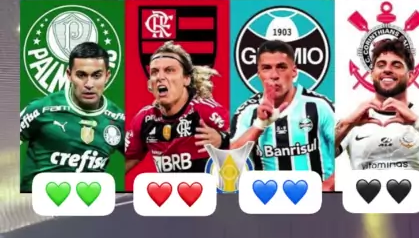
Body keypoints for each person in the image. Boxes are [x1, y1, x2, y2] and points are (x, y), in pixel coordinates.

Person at [230, 40, 335, 190]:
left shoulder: (319, 105)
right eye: (266, 68)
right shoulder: (248, 111)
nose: (274, 75)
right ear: (258, 74)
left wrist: (329, 185)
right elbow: (230, 160)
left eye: (281, 67)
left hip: (317, 200)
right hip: (267, 199)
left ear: (294, 71)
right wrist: (259, 125)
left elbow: (346, 148)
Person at [20, 42, 125, 192]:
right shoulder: (42, 109)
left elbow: (137, 154)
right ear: (69, 75)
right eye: (81, 75)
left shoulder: (118, 119)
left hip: (86, 202)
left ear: (107, 76)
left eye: (97, 75)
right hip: (35, 203)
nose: (89, 84)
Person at [335, 38, 419, 181]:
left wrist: (417, 122)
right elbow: (319, 157)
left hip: (414, 195)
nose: (387, 70)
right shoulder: (353, 118)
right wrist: (347, 125)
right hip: (365, 193)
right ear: (371, 74)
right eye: (381, 65)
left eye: (396, 65)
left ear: (411, 76)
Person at [125, 40, 230, 178]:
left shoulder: (205, 110)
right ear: (149, 84)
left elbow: (244, 142)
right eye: (154, 72)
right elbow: (124, 162)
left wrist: (222, 140)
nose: (160, 77)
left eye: (169, 70)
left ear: (186, 79)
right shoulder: (145, 119)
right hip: (170, 190)